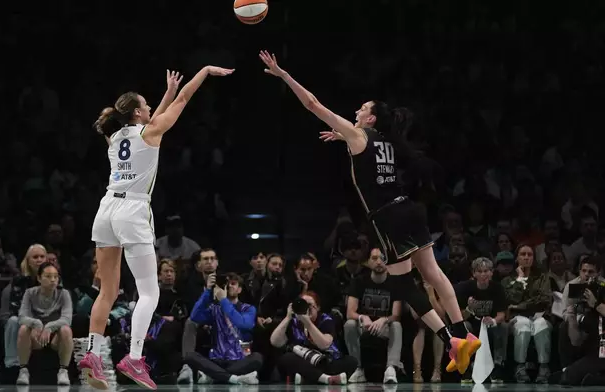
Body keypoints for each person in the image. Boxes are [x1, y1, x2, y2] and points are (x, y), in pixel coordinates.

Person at [259, 50, 479, 374]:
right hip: (410, 209)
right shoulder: (386, 139)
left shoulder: (358, 133)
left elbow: (313, 105)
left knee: (403, 287)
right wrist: (343, 138)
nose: (357, 111)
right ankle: (461, 335)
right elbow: (368, 156)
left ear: (371, 118)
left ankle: (452, 340)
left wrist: (283, 75)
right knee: (433, 274)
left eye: (362, 109)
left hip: (389, 217)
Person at [79, 65, 234, 390]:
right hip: (132, 211)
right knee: (150, 291)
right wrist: (203, 72)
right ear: (137, 111)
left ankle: (92, 352)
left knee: (107, 291)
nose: (152, 108)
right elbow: (185, 100)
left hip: (106, 208)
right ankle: (134, 358)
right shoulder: (151, 132)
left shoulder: (116, 134)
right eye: (147, 105)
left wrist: (165, 93)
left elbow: (156, 117)